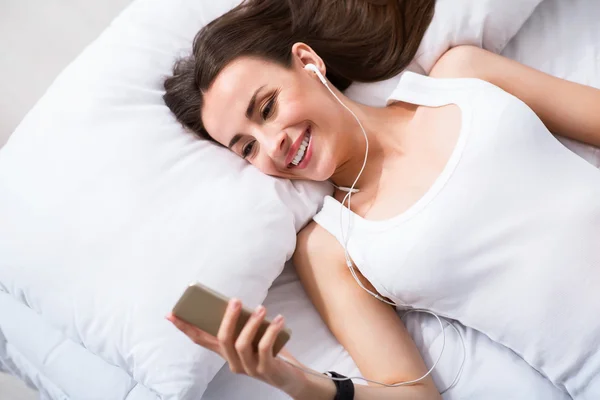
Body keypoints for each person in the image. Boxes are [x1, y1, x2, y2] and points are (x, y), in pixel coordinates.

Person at [163, 0, 600, 398]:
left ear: (307, 61)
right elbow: (412, 394)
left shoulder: (459, 78)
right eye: (247, 148)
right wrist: (293, 379)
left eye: (267, 108)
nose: (271, 145)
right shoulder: (329, 246)